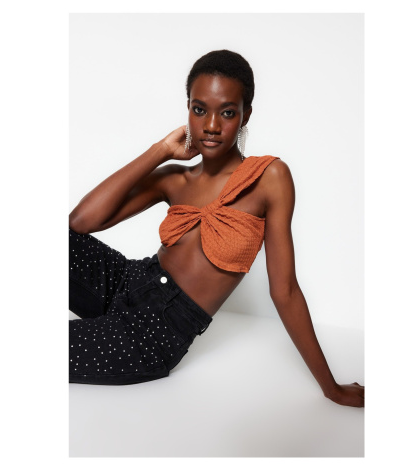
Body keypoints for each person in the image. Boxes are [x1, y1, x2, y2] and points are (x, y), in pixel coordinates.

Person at [69, 49, 364, 408]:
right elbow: (80, 222)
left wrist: (331, 388)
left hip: (153, 333)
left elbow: (284, 291)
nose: (210, 125)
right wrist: (160, 150)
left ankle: (105, 331)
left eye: (226, 112)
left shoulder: (269, 178)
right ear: (188, 110)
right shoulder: (175, 179)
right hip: (128, 280)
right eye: (199, 110)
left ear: (245, 114)